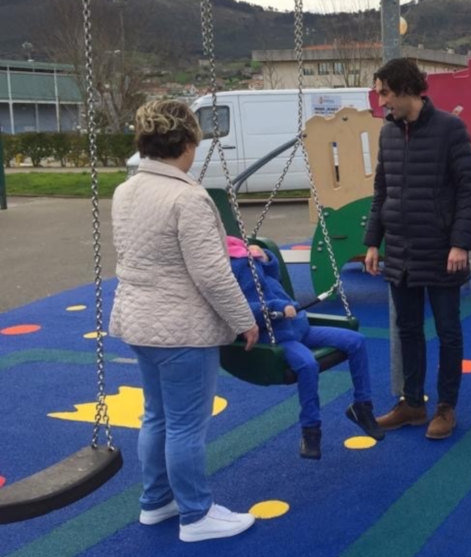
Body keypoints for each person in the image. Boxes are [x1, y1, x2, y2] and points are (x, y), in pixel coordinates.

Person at [109, 100, 259, 542]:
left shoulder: (126, 190)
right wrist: (243, 320)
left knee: (156, 416)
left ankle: (156, 501)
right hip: (180, 328)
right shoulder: (186, 197)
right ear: (187, 143)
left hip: (139, 322)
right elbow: (211, 273)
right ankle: (196, 515)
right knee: (185, 425)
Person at [363, 57, 471, 440]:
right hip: (400, 250)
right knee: (408, 330)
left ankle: (446, 407)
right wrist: (372, 242)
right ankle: (413, 404)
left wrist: (460, 243)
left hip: (441, 250)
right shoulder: (388, 133)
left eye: (385, 93)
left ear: (406, 89)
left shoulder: (450, 129)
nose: (381, 102)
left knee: (448, 332)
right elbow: (382, 191)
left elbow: (470, 189)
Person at [226, 236, 384, 460]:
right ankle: (311, 430)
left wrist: (267, 258)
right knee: (308, 364)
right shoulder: (231, 273)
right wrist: (277, 307)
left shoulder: (252, 262)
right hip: (279, 338)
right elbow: (240, 311)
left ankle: (362, 407)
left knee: (356, 341)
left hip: (300, 327)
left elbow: (275, 280)